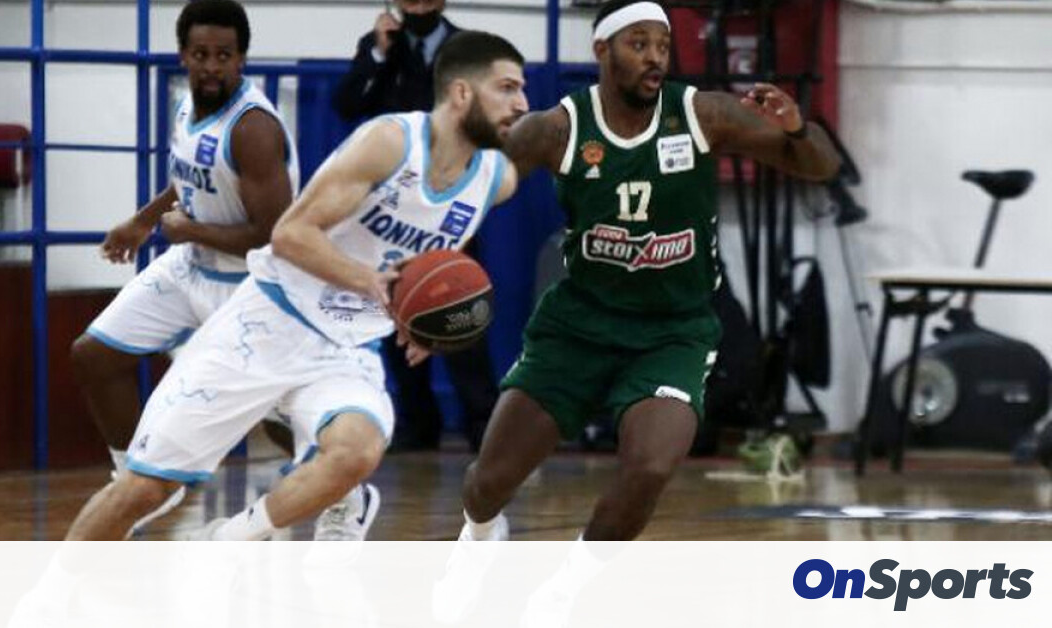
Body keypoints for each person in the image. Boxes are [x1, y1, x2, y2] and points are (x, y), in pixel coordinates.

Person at [435, 1, 841, 623]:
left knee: (650, 466)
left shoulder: (701, 114)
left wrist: (796, 129)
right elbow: (467, 195)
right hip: (577, 326)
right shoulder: (557, 129)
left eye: (663, 45)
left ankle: (564, 590)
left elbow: (821, 166)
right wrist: (430, 275)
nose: (655, 58)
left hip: (673, 331)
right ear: (602, 49)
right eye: (639, 44)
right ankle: (478, 540)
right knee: (487, 482)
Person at [62, 30, 529, 542]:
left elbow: (432, 246)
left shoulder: (496, 179)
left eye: (523, 90)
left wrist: (424, 319)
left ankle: (227, 541)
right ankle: (53, 585)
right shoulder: (390, 143)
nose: (521, 103)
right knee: (142, 490)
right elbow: (289, 234)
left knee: (357, 451)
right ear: (462, 93)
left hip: (348, 344)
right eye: (507, 88)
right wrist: (375, 285)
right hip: (270, 317)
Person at [334, 0, 496, 453]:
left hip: (451, 198)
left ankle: (482, 421)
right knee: (398, 310)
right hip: (392, 211)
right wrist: (378, 54)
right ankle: (418, 422)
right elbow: (346, 103)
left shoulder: (466, 47)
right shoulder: (378, 45)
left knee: (460, 305)